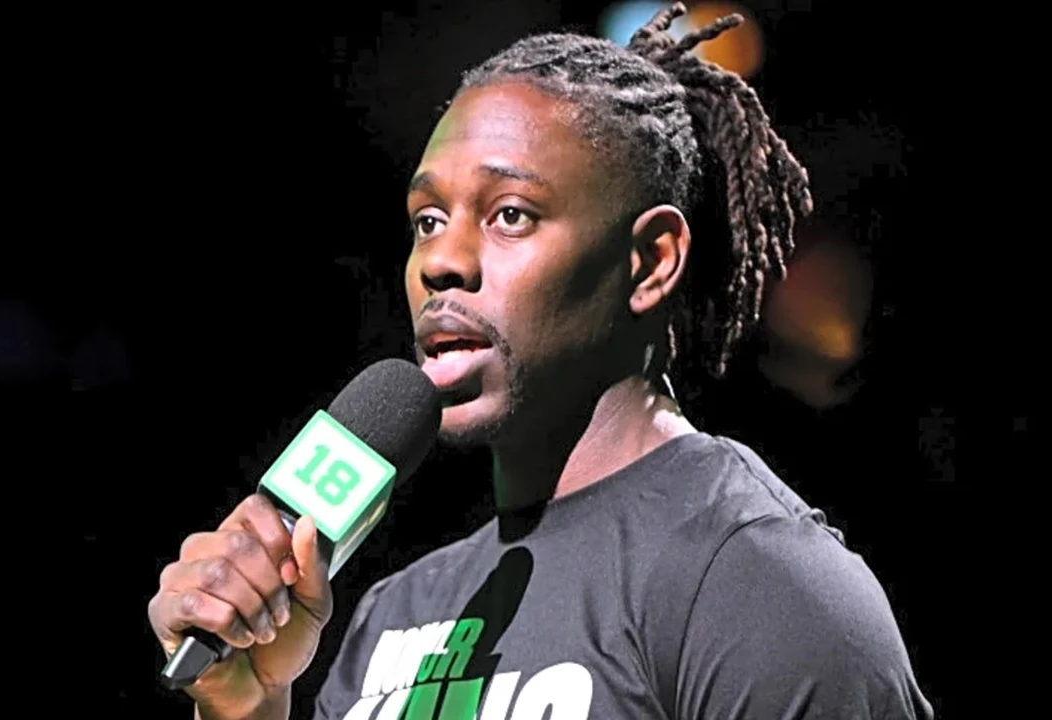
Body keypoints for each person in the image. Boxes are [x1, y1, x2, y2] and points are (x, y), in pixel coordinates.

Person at [147, 4, 934, 718]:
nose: (441, 262)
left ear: (651, 261)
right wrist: (249, 708)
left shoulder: (755, 582)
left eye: (511, 215)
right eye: (427, 220)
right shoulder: (391, 616)